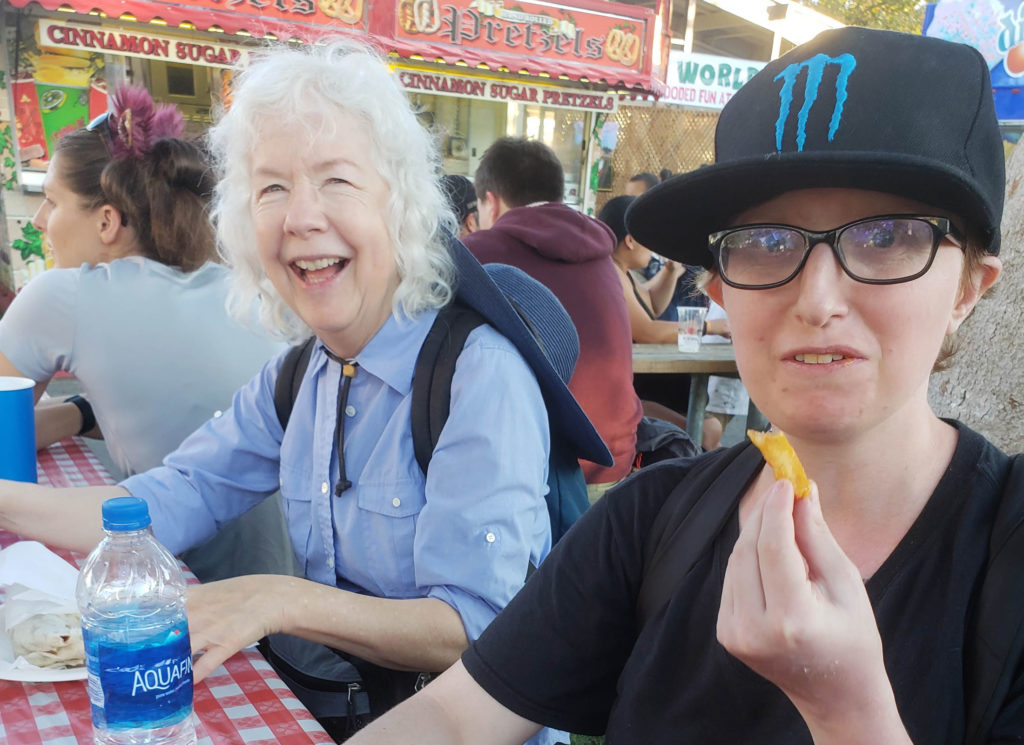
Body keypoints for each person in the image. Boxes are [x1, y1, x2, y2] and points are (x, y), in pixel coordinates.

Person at [346, 26, 1019, 744]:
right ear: (722, 287)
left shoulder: (1003, 553)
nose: (819, 299)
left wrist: (847, 711)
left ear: (969, 287)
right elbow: (454, 714)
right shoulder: (651, 520)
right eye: (766, 241)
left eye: (886, 237)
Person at [0, 39, 609, 745]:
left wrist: (276, 597)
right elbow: (168, 499)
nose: (300, 218)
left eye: (336, 181)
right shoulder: (302, 373)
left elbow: (476, 628)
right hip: (351, 714)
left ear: (399, 203)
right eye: (272, 188)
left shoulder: (478, 373)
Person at [0, 86, 291, 583]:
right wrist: (77, 415)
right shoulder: (240, 287)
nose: (42, 221)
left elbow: (7, 430)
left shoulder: (62, 297)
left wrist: (64, 419)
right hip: (287, 595)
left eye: (53, 202)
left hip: (184, 589)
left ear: (108, 221)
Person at [465, 136, 642, 501]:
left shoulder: (478, 254)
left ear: (492, 203)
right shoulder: (601, 255)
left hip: (544, 477)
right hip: (618, 464)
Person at [598, 195, 723, 450]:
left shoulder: (620, 272)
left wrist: (669, 272)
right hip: (630, 392)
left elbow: (651, 304)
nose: (652, 248)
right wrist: (711, 327)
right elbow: (648, 332)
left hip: (645, 384)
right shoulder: (610, 272)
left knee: (711, 429)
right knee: (708, 432)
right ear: (630, 241)